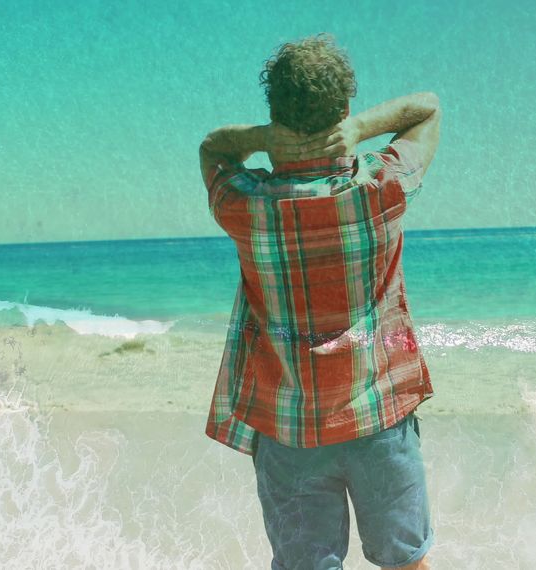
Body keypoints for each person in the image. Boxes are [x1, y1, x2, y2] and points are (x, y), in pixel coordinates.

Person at [198, 33, 442, 570]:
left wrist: (263, 138)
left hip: (289, 429)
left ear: (275, 115)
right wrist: (358, 131)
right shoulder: (382, 186)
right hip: (378, 414)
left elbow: (213, 148)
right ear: (345, 109)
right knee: (407, 564)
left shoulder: (249, 207)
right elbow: (427, 109)